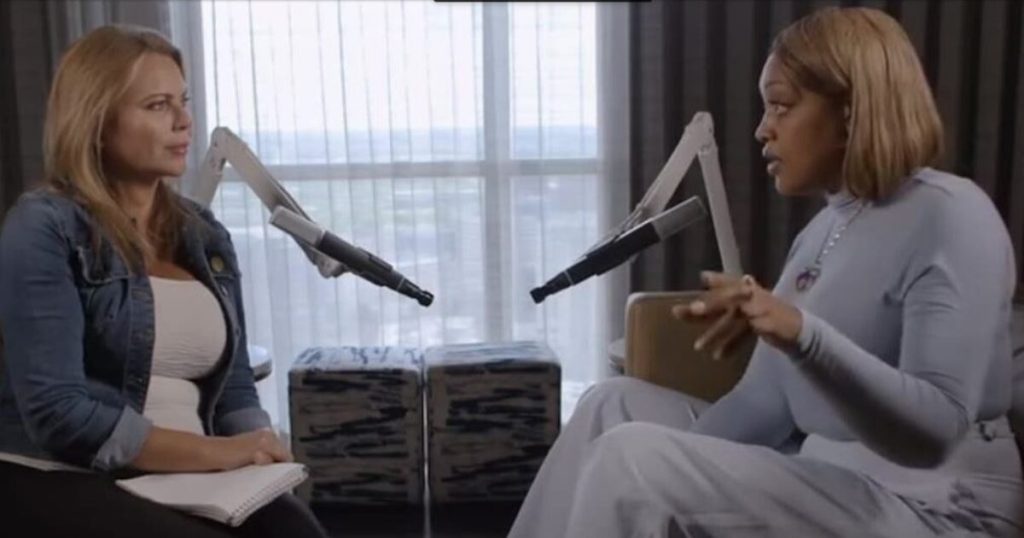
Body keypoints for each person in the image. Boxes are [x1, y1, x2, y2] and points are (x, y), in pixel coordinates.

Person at [507, 7, 1023, 538]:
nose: (761, 130)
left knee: (630, 459)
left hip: (936, 506)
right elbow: (764, 405)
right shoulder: (822, 233)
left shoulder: (951, 214)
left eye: (780, 105)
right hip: (830, 478)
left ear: (850, 111)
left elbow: (935, 433)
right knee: (609, 406)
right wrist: (683, 459)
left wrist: (802, 334)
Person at [0, 25, 327, 538]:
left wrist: (260, 454)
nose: (184, 121)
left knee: (295, 531)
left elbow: (235, 383)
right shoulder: (43, 227)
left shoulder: (205, 233)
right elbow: (59, 414)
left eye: (184, 101)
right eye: (157, 105)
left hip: (194, 477)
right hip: (70, 474)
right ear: (96, 122)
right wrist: (219, 454)